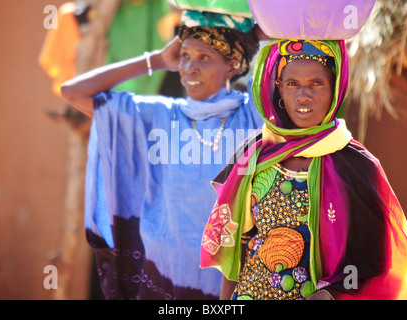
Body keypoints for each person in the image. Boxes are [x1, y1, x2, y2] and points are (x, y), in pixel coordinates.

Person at [200, 39, 407, 300]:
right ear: (280, 90)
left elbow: (371, 258)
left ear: (335, 90)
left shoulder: (356, 165)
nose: (303, 95)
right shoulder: (253, 153)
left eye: (316, 83)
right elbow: (235, 245)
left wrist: (331, 293)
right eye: (292, 84)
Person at [61, 10, 263, 299]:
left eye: (203, 57)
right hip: (164, 274)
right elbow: (73, 92)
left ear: (231, 65)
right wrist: (155, 60)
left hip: (230, 279)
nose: (189, 67)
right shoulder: (158, 116)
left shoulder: (252, 116)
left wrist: (253, 36)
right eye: (184, 56)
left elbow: (299, 80)